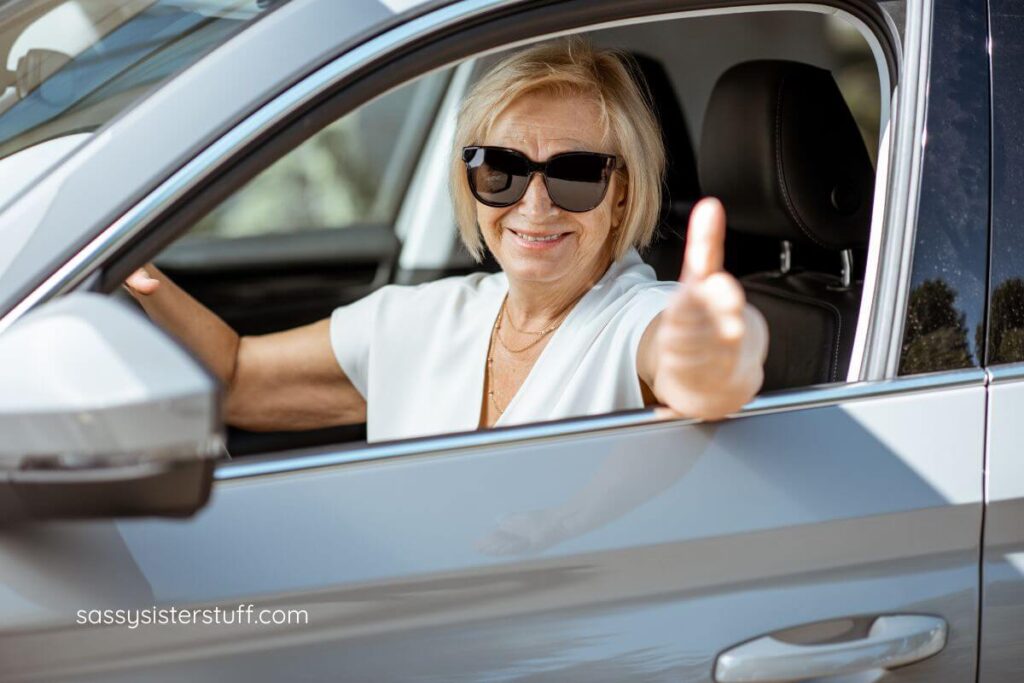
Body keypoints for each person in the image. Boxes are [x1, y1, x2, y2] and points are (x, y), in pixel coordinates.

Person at [125, 36, 768, 443]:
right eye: (502, 170)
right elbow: (237, 378)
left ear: (623, 192)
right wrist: (134, 270)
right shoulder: (422, 319)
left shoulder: (645, 320)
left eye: (575, 174)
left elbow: (700, 368)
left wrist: (708, 369)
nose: (534, 204)